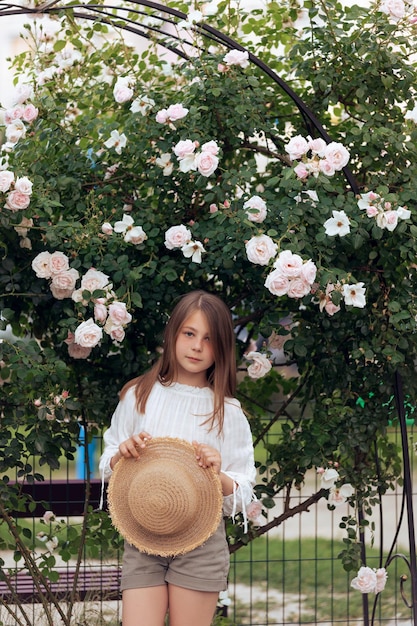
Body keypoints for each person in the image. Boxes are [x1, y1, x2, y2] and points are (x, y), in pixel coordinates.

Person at [99, 290, 256, 626]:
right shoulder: (138, 395)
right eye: (189, 333)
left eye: (209, 339)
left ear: (222, 348)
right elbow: (109, 457)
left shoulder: (227, 412)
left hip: (201, 541)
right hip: (144, 534)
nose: (197, 346)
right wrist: (120, 457)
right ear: (173, 335)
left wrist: (219, 474)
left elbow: (243, 490)